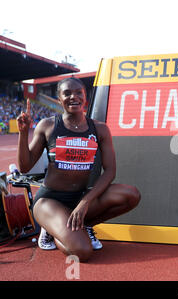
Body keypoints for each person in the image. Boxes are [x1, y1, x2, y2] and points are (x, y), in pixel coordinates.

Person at [16, 77, 141, 262]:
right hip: (49, 201)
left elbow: (110, 171)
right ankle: (51, 229)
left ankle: (84, 225)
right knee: (83, 252)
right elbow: (24, 167)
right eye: (67, 93)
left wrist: (85, 202)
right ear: (59, 99)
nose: (73, 96)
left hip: (80, 198)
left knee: (131, 194)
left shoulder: (99, 129)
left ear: (85, 97)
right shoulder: (48, 125)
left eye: (78, 93)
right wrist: (23, 132)